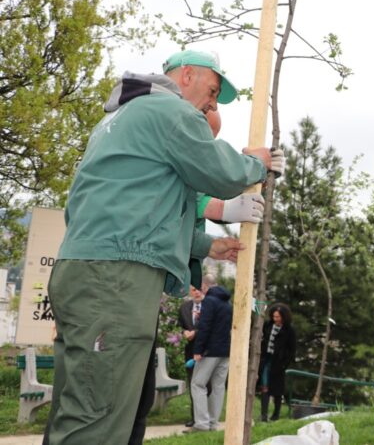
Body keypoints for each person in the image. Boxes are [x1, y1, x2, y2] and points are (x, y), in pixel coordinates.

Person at [45, 49, 283, 444]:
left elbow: (140, 214)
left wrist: (207, 245)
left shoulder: (119, 119)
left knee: (78, 404)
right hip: (115, 281)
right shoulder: (167, 111)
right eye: (212, 90)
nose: (210, 103)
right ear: (186, 75)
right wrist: (256, 163)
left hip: (83, 270)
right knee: (98, 417)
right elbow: (221, 173)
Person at [189, 285, 233, 432]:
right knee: (218, 387)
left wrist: (198, 350)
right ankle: (213, 424)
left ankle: (201, 424)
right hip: (225, 351)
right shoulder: (227, 304)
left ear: (206, 287)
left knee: (197, 384)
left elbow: (205, 326)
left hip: (209, 351)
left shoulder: (209, 301)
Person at [258, 302, 297, 421]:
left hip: (279, 363)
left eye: (278, 317)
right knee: (264, 386)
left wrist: (284, 364)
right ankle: (263, 414)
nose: (276, 319)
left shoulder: (290, 330)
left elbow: (292, 349)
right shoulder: (267, 325)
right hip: (266, 359)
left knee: (277, 390)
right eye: (274, 316)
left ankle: (276, 414)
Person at [178, 284, 208, 428]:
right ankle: (195, 417)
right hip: (190, 350)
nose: (197, 292)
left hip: (207, 351)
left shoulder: (209, 307)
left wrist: (195, 332)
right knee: (192, 383)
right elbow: (180, 325)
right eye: (194, 290)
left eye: (199, 289)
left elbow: (211, 325)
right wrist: (184, 332)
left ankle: (205, 417)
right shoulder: (184, 307)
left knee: (205, 384)